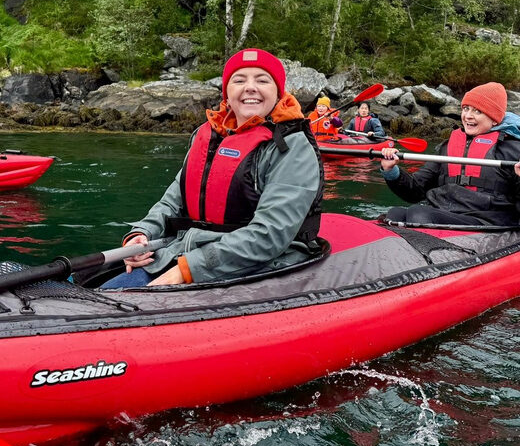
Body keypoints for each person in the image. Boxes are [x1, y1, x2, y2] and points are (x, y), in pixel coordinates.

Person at [101, 49, 324, 288]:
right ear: (227, 92)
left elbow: (270, 234)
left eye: (262, 80)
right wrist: (142, 234)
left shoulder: (291, 147)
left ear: (278, 92)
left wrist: (187, 270)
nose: (250, 87)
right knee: (96, 288)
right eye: (239, 80)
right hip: (191, 249)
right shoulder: (209, 135)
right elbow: (173, 201)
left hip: (263, 263)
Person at [379, 82, 520, 227]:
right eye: (466, 109)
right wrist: (391, 170)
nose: (468, 116)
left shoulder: (512, 149)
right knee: (395, 214)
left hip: (489, 219)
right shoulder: (447, 147)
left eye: (478, 111)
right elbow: (415, 191)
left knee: (418, 214)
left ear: (495, 119)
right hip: (447, 212)